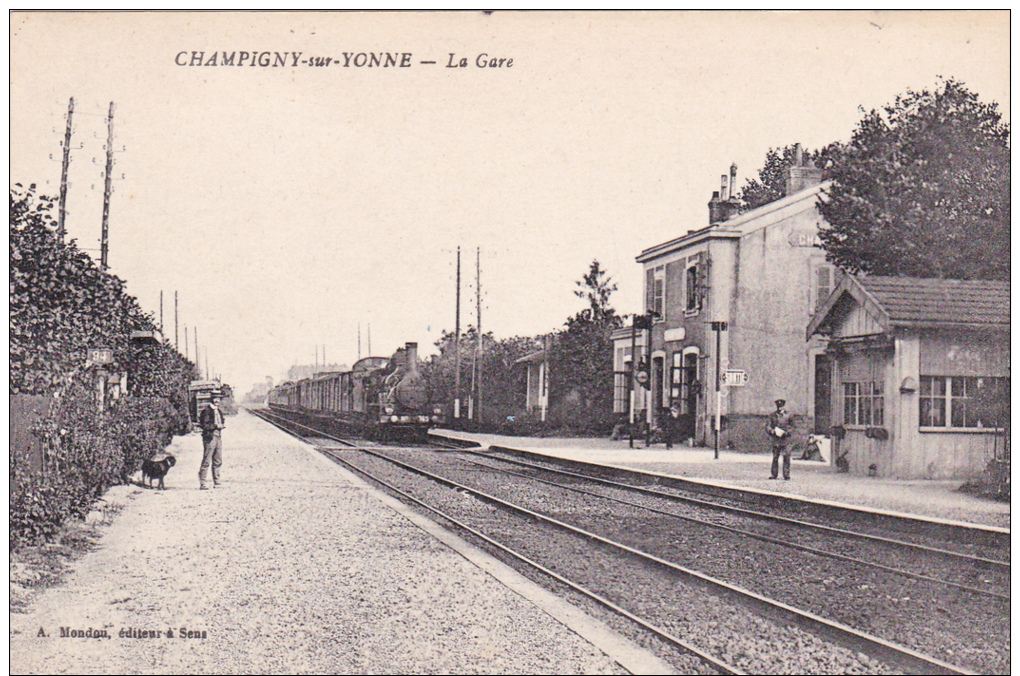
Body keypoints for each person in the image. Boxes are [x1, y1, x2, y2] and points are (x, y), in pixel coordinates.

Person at [198, 394, 225, 489]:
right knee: (207, 460)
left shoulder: (218, 411)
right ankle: (203, 483)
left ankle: (217, 482)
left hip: (218, 436)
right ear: (212, 399)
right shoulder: (207, 411)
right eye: (215, 399)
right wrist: (216, 426)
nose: (217, 401)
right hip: (210, 437)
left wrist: (221, 425)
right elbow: (204, 425)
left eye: (218, 399)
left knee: (218, 460)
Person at [767, 398, 793, 480]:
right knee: (775, 457)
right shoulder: (772, 415)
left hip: (785, 440)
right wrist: (772, 431)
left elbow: (793, 426)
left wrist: (787, 432)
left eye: (781, 406)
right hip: (776, 439)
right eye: (778, 407)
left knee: (786, 457)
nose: (780, 408)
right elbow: (768, 425)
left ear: (784, 406)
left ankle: (786, 474)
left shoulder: (788, 415)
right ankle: (774, 474)